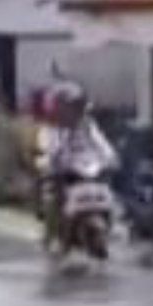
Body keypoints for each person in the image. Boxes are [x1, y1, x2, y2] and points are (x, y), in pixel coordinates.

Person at [40, 80, 118, 251]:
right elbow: (50, 150)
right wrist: (51, 164)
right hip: (66, 172)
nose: (71, 112)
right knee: (53, 197)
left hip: (90, 169)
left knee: (111, 193)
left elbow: (101, 144)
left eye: (75, 107)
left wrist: (110, 158)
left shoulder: (88, 125)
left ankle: (111, 225)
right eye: (67, 107)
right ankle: (52, 235)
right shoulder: (53, 130)